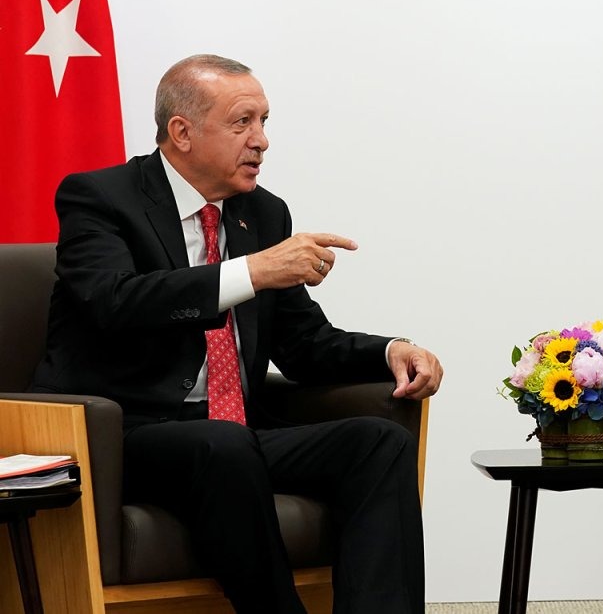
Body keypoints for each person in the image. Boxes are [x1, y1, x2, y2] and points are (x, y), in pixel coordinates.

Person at [33, 54, 443, 614]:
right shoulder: (101, 197)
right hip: (126, 433)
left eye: (264, 121)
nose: (261, 141)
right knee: (221, 444)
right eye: (242, 122)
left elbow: (303, 344)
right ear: (182, 132)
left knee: (378, 441)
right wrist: (252, 272)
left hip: (235, 436)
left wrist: (392, 350)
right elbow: (115, 301)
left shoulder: (262, 213)